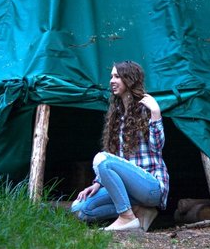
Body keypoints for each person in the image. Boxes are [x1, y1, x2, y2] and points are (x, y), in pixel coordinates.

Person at [71, 61, 169, 232]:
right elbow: (117, 158)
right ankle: (139, 210)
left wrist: (156, 113)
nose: (112, 81)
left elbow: (157, 147)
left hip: (151, 187)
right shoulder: (117, 114)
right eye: (111, 76)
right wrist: (98, 183)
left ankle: (126, 217)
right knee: (79, 208)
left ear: (129, 79)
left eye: (117, 76)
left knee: (101, 158)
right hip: (129, 190)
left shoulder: (146, 108)